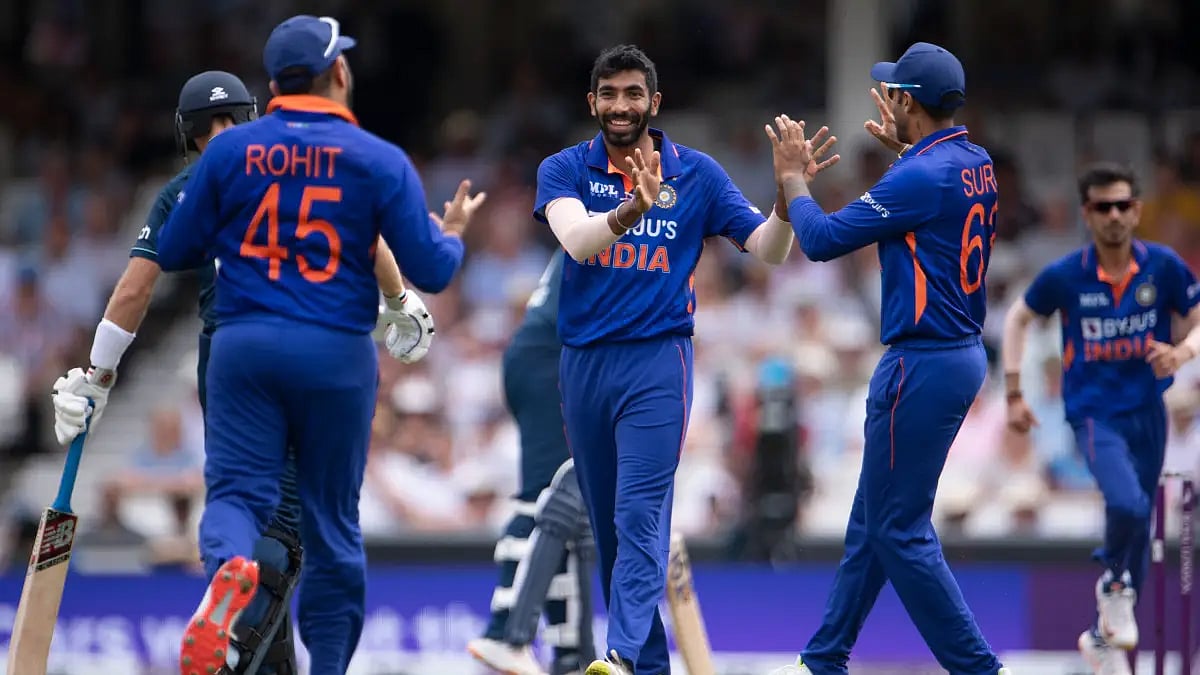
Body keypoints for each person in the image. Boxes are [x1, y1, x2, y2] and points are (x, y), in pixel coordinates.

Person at [151, 14, 481, 675]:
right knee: (331, 526)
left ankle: (229, 578)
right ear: (340, 73)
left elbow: (176, 249)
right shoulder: (379, 159)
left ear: (273, 84)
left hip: (244, 345)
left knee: (238, 499)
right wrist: (451, 231)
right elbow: (437, 269)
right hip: (335, 351)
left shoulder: (227, 153)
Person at [534, 44, 838, 675]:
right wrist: (631, 209)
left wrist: (788, 194)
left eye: (633, 94)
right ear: (592, 102)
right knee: (612, 533)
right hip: (583, 365)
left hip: (656, 363)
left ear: (655, 102)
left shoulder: (695, 173)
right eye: (610, 94)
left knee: (640, 511)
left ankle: (615, 656)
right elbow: (579, 242)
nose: (622, 107)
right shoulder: (563, 169)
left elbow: (770, 250)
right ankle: (643, 668)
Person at [766, 42, 1011, 675]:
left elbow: (818, 241)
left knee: (900, 531)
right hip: (957, 354)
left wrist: (792, 179)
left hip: (920, 364)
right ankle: (822, 660)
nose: (886, 101)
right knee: (873, 518)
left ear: (908, 102)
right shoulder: (972, 160)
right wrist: (908, 148)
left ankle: (980, 670)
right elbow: (935, 197)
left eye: (894, 94)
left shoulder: (917, 177)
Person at [1002, 162, 1200, 675]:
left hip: (1148, 410)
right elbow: (1019, 316)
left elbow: (1198, 317)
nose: (1114, 216)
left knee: (1136, 524)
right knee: (1129, 505)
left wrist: (1182, 352)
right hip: (1094, 414)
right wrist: (1014, 391)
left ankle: (1101, 637)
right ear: (1087, 214)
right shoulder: (1068, 274)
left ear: (1137, 210)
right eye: (1102, 207)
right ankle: (1112, 586)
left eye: (1123, 206)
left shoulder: (1163, 266)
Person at [467, 249, 597, 675]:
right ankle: (504, 631)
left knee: (568, 512)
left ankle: (569, 654)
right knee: (548, 500)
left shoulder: (609, 212)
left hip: (545, 355)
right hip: (551, 361)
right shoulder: (628, 218)